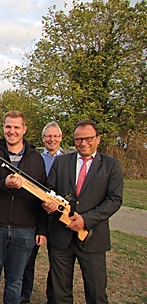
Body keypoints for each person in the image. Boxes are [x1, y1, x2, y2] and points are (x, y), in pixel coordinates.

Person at [43, 120, 123, 304]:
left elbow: (114, 200)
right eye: (79, 139)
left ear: (98, 139)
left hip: (92, 239)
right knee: (59, 293)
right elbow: (50, 191)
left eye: (88, 138)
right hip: (61, 239)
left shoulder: (111, 165)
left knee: (96, 293)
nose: (83, 143)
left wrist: (85, 220)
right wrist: (48, 204)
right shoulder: (61, 162)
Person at [0, 110, 48, 304]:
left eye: (17, 127)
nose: (12, 131)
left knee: (15, 280)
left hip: (24, 229)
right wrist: (3, 184)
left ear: (24, 129)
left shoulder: (36, 159)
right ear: (3, 128)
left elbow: (42, 195)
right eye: (8, 126)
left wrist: (41, 228)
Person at [20, 121, 63, 304]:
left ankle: (53, 297)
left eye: (55, 136)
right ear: (43, 138)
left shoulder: (68, 160)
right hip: (36, 213)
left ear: (60, 138)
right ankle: (24, 295)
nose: (51, 139)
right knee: (29, 259)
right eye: (48, 136)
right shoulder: (36, 159)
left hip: (59, 216)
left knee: (58, 262)